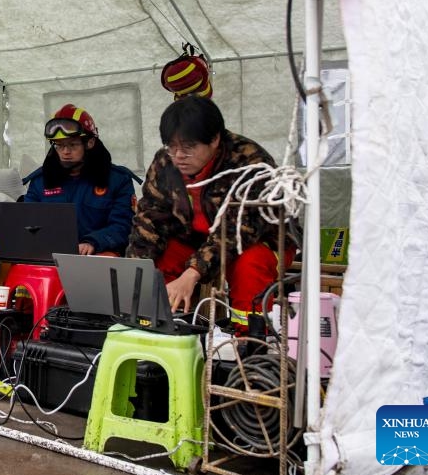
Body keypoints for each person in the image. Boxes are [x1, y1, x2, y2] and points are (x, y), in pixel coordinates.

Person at [125, 95, 297, 327]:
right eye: (172, 146)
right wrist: (135, 272)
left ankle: (249, 342)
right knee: (155, 265)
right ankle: (160, 329)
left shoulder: (250, 162)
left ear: (215, 139)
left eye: (188, 147)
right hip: (195, 240)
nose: (178, 156)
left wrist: (193, 272)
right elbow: (149, 217)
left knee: (249, 264)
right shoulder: (165, 162)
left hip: (260, 241)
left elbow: (239, 231)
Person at [23, 104, 138, 255]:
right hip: (51, 256)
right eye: (59, 145)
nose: (65, 152)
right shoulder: (40, 182)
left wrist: (93, 242)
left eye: (72, 144)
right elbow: (27, 223)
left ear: (89, 143)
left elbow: (123, 225)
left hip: (98, 254)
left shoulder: (118, 180)